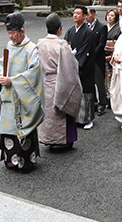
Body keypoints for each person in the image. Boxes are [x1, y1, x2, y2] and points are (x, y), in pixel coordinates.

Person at [0, 12, 45, 171]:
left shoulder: (31, 49)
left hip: (23, 98)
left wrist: (13, 80)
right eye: (9, 33)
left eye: (13, 33)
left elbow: (34, 73)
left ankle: (25, 161)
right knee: (9, 129)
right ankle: (10, 160)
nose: (11, 37)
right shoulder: (9, 46)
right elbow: (1, 64)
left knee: (22, 127)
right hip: (9, 96)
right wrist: (1, 74)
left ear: (22, 31)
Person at [37, 13, 83, 149]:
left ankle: (49, 140)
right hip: (59, 82)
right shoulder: (62, 46)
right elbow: (70, 68)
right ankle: (66, 140)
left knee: (48, 112)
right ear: (59, 29)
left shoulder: (39, 44)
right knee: (63, 109)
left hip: (44, 83)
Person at [64, 5, 95, 130]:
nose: (75, 15)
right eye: (74, 13)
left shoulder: (88, 32)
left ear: (85, 16)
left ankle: (88, 119)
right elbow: (65, 45)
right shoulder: (70, 31)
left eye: (78, 13)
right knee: (75, 93)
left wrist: (77, 59)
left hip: (85, 65)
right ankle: (77, 118)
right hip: (72, 65)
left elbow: (86, 50)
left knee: (86, 92)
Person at [86, 7, 108, 116]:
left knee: (100, 83)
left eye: (88, 14)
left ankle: (102, 104)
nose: (86, 17)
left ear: (94, 14)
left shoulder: (102, 27)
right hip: (87, 60)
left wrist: (92, 54)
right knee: (90, 82)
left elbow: (101, 43)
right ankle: (93, 103)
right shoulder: (85, 27)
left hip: (97, 58)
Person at [104, 8, 121, 108]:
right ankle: (106, 99)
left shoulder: (118, 29)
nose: (109, 17)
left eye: (112, 16)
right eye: (108, 15)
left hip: (113, 56)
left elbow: (119, 44)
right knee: (105, 79)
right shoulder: (104, 28)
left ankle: (113, 100)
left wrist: (112, 56)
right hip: (104, 55)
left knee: (113, 79)